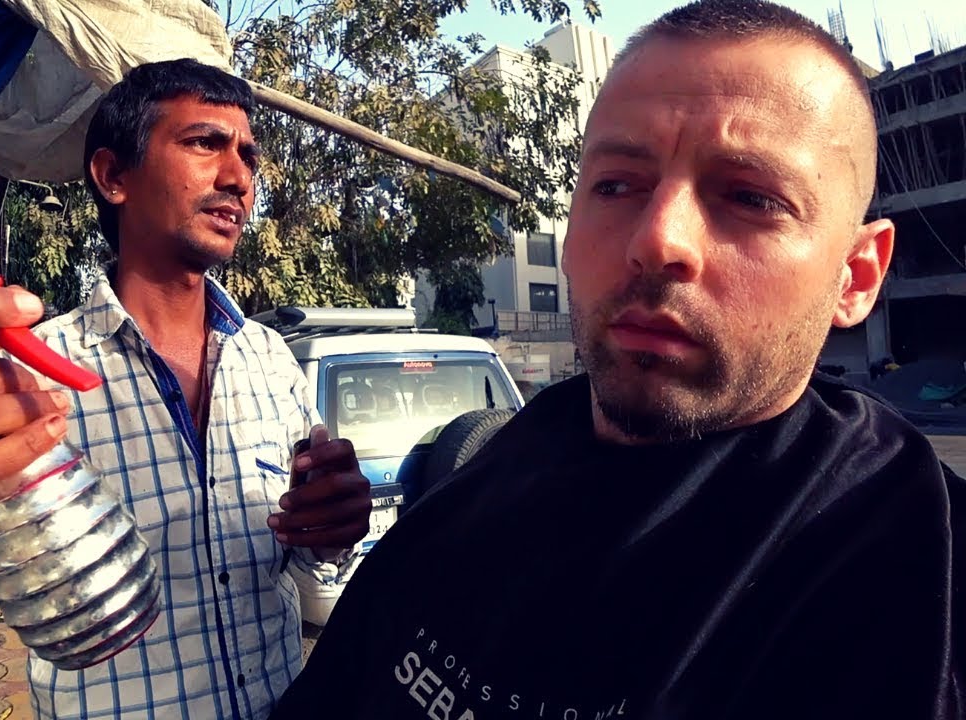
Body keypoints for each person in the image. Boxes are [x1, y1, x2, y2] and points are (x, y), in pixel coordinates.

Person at [270, 2, 966, 719]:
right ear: (569, 234)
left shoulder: (910, 568)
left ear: (856, 276)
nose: (657, 238)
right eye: (617, 186)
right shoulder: (487, 474)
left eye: (751, 197)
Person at [0, 59, 372, 719]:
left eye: (247, 155)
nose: (239, 178)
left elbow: (306, 577)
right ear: (111, 176)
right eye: (204, 143)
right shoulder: (16, 377)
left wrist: (330, 533)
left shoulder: (270, 359)